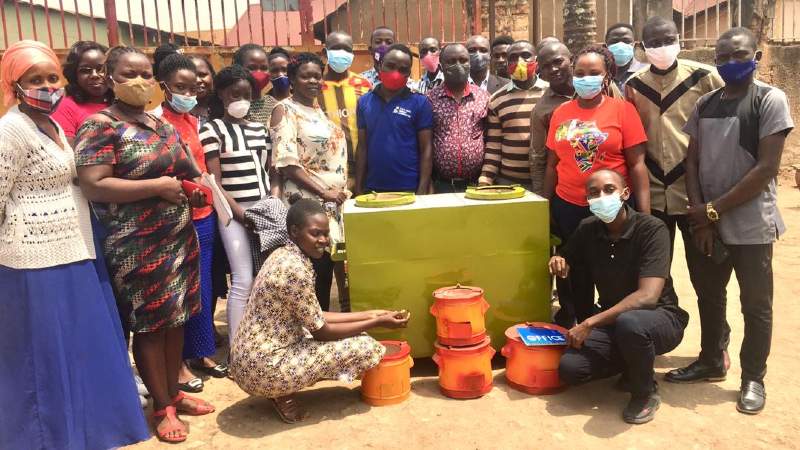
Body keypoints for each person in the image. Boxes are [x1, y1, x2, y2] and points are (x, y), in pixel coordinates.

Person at [0, 39, 149, 450]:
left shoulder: (48, 125)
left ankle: (89, 431)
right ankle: (46, 437)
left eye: (52, 78)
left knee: (81, 347)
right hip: (33, 260)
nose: (48, 86)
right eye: (35, 79)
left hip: (77, 249)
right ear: (15, 85)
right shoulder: (10, 131)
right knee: (43, 356)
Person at [74, 45, 214, 443]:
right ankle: (162, 407)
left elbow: (187, 169)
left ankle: (173, 391)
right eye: (128, 74)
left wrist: (193, 188)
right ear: (111, 77)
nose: (138, 82)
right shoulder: (100, 126)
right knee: (152, 326)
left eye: (145, 74)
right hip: (137, 243)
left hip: (178, 238)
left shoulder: (160, 124)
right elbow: (94, 184)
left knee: (176, 320)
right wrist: (157, 186)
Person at [666, 27, 794, 415]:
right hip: (708, 222)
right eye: (722, 57)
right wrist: (702, 217)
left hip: (752, 224)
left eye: (738, 56)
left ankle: (753, 377)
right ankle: (710, 358)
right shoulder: (706, 103)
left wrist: (711, 210)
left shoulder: (770, 100)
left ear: (755, 58)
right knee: (709, 294)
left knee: (756, 304)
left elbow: (766, 169)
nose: (729, 63)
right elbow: (692, 161)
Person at [230, 198, 410, 423]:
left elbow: (315, 315)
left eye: (326, 234)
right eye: (315, 234)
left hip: (249, 359)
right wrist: (375, 323)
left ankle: (280, 387)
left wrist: (374, 314)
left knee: (355, 332)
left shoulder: (284, 254)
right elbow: (322, 331)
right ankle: (279, 391)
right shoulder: (294, 270)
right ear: (294, 231)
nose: (323, 240)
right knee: (366, 346)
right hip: (263, 368)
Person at [552, 170, 689, 425]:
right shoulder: (588, 229)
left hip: (661, 318)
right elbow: (567, 256)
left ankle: (644, 392)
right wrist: (559, 259)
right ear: (587, 200)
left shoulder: (652, 229)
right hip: (615, 322)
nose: (601, 197)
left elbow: (648, 297)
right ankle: (632, 364)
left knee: (631, 324)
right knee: (571, 369)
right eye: (593, 193)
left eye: (609, 189)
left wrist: (589, 323)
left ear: (625, 193)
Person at [625, 17, 724, 336]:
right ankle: (662, 334)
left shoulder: (706, 77)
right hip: (653, 195)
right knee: (655, 275)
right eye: (653, 43)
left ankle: (715, 346)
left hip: (695, 194)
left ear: (678, 39)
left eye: (667, 40)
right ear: (642, 47)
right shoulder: (634, 86)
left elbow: (723, 131)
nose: (661, 47)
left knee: (706, 276)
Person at [543, 45, 650, 328]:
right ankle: (575, 327)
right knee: (572, 272)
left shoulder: (623, 111)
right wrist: (546, 205)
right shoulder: (560, 113)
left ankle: (614, 332)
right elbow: (552, 164)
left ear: (606, 77)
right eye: (580, 73)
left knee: (612, 271)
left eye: (593, 73)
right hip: (567, 206)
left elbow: (637, 166)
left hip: (609, 209)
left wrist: (644, 216)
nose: (585, 78)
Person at [153, 53, 229, 393]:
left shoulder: (195, 121)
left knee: (204, 287)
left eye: (193, 85)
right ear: (164, 86)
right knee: (180, 291)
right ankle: (179, 363)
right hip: (176, 217)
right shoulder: (157, 122)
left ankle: (200, 352)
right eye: (180, 86)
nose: (190, 90)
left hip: (205, 214)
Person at [199, 65, 279, 345]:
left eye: (246, 95)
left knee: (266, 278)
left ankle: (264, 341)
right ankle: (237, 348)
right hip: (232, 214)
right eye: (235, 94)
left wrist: (270, 203)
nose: (241, 100)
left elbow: (267, 171)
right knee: (243, 279)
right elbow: (214, 181)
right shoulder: (212, 130)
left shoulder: (259, 129)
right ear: (221, 94)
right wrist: (241, 213)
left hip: (263, 208)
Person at [270, 52, 348, 312]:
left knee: (323, 275)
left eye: (317, 75)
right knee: (310, 278)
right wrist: (324, 192)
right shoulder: (285, 110)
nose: (313, 80)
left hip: (329, 207)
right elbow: (287, 163)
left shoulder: (316, 112)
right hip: (307, 207)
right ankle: (310, 339)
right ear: (292, 78)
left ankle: (319, 335)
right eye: (305, 76)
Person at [356, 44, 433, 194]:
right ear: (379, 66)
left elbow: (426, 149)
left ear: (409, 73)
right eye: (390, 66)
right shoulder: (364, 102)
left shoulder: (420, 103)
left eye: (403, 69)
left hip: (409, 188)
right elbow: (362, 147)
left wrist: (422, 189)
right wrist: (358, 187)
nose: (395, 73)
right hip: (373, 189)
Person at [478, 40, 547, 188]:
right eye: (513, 57)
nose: (519, 61)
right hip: (509, 183)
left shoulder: (550, 94)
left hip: (547, 182)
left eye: (526, 56)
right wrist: (485, 179)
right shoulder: (496, 99)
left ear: (536, 60)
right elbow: (494, 145)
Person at [427, 43, 490, 193]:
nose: (458, 65)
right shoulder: (430, 99)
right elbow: (424, 143)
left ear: (469, 64)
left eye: (463, 60)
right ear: (441, 67)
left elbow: (491, 139)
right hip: (442, 185)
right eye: (451, 61)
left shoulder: (483, 97)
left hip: (476, 184)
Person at [318, 31, 373, 192]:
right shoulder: (316, 88)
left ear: (352, 54)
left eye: (346, 49)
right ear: (324, 53)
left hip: (363, 164)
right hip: (328, 167)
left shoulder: (363, 84)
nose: (341, 53)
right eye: (336, 48)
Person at [529, 41, 574, 196]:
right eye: (546, 66)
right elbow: (538, 160)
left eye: (558, 62)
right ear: (540, 72)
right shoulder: (541, 110)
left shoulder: (599, 88)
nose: (553, 69)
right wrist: (543, 201)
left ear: (571, 60)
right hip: (566, 190)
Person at [52, 41, 113, 146]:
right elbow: (69, 153)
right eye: (85, 70)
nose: (95, 75)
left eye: (101, 69)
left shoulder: (121, 104)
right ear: (74, 75)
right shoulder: (65, 107)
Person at [605, 23, 647, 90]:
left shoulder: (647, 73)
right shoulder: (599, 73)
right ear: (606, 46)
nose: (620, 45)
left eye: (626, 41)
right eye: (614, 41)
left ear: (634, 44)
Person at [189, 55, 216, 127]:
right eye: (192, 76)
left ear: (212, 76)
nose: (197, 80)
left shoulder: (224, 108)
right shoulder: (177, 111)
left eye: (202, 75)